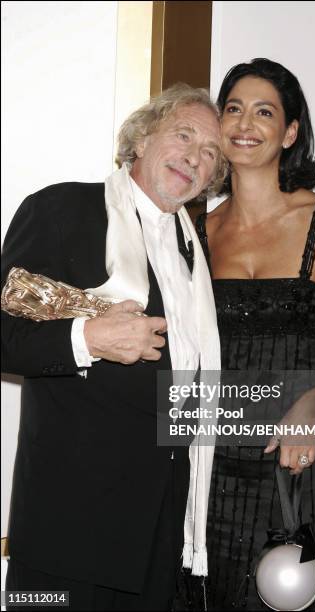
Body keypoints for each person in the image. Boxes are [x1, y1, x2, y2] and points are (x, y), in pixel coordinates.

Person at [175, 59, 315, 611]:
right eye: (233, 109)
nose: (245, 124)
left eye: (264, 112)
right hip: (217, 471)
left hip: (306, 462)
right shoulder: (194, 229)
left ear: (290, 132)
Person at [1, 83, 227, 611]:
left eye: (210, 153)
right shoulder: (61, 208)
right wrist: (88, 338)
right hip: (64, 529)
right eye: (184, 135)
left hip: (156, 533)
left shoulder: (196, 251)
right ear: (143, 138)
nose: (195, 157)